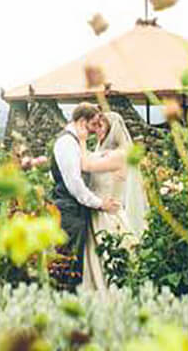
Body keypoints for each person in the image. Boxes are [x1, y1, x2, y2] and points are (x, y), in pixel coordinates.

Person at [50, 103, 120, 288]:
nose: (93, 130)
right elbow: (74, 184)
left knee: (75, 262)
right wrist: (99, 203)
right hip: (69, 210)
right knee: (68, 263)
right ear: (82, 122)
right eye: (93, 124)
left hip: (75, 210)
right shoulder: (66, 143)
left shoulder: (73, 142)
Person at [80, 110, 149, 291]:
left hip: (108, 214)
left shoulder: (120, 154)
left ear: (112, 130)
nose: (96, 130)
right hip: (96, 211)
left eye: (101, 126)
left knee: (108, 263)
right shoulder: (103, 152)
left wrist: (80, 138)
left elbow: (86, 165)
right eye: (96, 126)